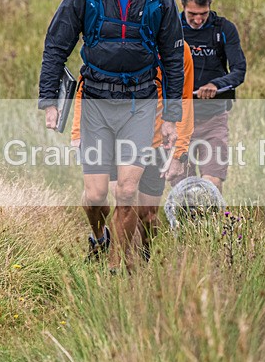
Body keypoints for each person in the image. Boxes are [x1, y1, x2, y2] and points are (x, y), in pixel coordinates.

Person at [38, 0, 184, 273]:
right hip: (95, 105)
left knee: (127, 191)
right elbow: (55, 47)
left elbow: (173, 59)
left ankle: (118, 268)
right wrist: (49, 101)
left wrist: (172, 117)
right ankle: (99, 236)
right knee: (95, 196)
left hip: (140, 104)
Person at [70, 41, 196, 260]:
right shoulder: (114, 36)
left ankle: (144, 256)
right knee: (118, 198)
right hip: (113, 134)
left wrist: (179, 153)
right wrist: (77, 131)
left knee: (148, 215)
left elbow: (184, 99)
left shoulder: (178, 48)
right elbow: (86, 85)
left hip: (157, 141)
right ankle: (111, 252)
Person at [180, 0, 247, 194]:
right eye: (192, 14)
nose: (198, 20)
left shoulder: (224, 29)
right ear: (182, 6)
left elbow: (239, 70)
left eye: (203, 14)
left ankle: (213, 215)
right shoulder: (170, 29)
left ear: (211, 5)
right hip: (180, 120)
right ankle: (189, 218)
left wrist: (215, 85)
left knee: (211, 183)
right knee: (184, 187)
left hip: (213, 119)